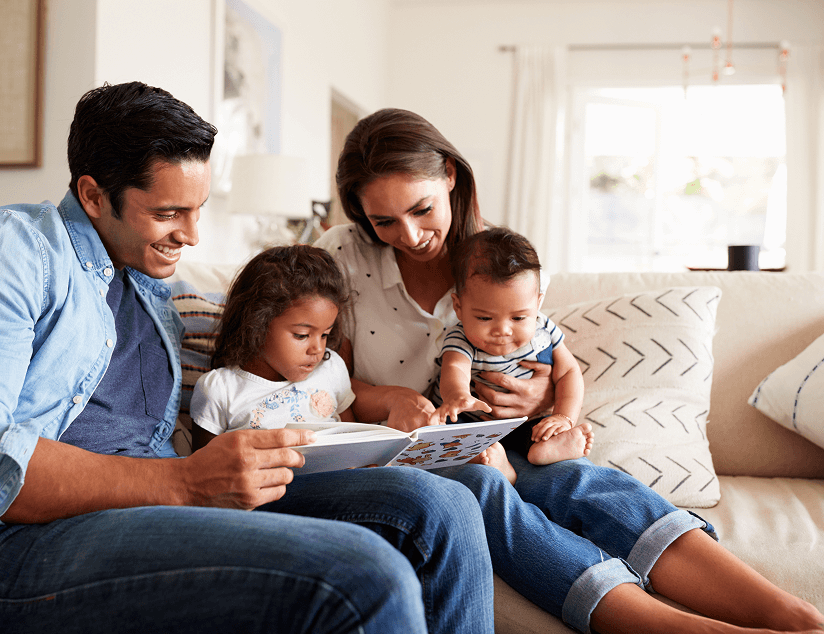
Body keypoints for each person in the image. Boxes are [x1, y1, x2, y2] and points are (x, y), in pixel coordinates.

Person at [0, 83, 496, 634]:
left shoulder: (150, 287)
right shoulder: (3, 250)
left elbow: (262, 334)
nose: (192, 235)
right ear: (94, 195)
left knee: (441, 507)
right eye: (169, 213)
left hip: (161, 500)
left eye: (198, 209)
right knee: (364, 576)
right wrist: (183, 481)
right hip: (23, 542)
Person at [316, 106, 824, 634]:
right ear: (359, 215)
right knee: (480, 488)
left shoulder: (504, 263)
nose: (412, 234)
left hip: (503, 433)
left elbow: (544, 362)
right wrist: (388, 398)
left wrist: (538, 402)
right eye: (384, 221)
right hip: (405, 449)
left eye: (422, 209)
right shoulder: (341, 257)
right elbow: (322, 379)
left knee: (580, 480)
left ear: (450, 175)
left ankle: (791, 615)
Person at [426, 227, 593, 483]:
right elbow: (455, 369)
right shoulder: (461, 338)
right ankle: (498, 464)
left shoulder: (543, 329)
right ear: (458, 307)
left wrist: (563, 417)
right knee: (450, 440)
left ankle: (549, 448)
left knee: (542, 430)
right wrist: (458, 397)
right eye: (484, 317)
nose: (502, 330)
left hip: (522, 422)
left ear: (537, 304)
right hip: (471, 423)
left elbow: (569, 372)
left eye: (518, 317)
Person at [190, 244, 355, 449]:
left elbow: (354, 437)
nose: (318, 349)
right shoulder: (220, 389)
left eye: (324, 335)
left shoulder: (331, 368)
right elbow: (203, 467)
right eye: (301, 335)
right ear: (256, 325)